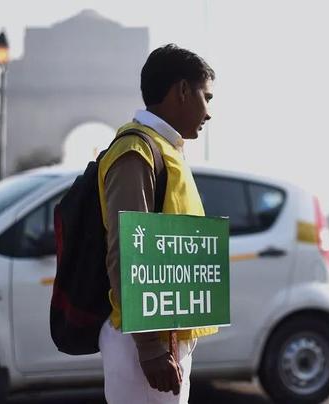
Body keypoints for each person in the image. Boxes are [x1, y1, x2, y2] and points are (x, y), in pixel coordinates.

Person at [97, 44, 218, 403]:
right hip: (146, 345)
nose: (209, 112)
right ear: (182, 90)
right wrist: (150, 348)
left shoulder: (165, 150)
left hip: (166, 339)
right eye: (206, 97)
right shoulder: (137, 152)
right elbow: (128, 249)